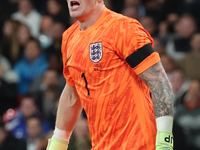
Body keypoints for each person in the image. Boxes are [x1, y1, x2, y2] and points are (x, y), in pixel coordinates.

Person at [47, 0, 174, 150]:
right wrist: (57, 143)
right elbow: (72, 93)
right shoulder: (69, 38)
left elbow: (159, 82)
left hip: (139, 144)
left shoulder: (123, 28)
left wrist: (165, 141)